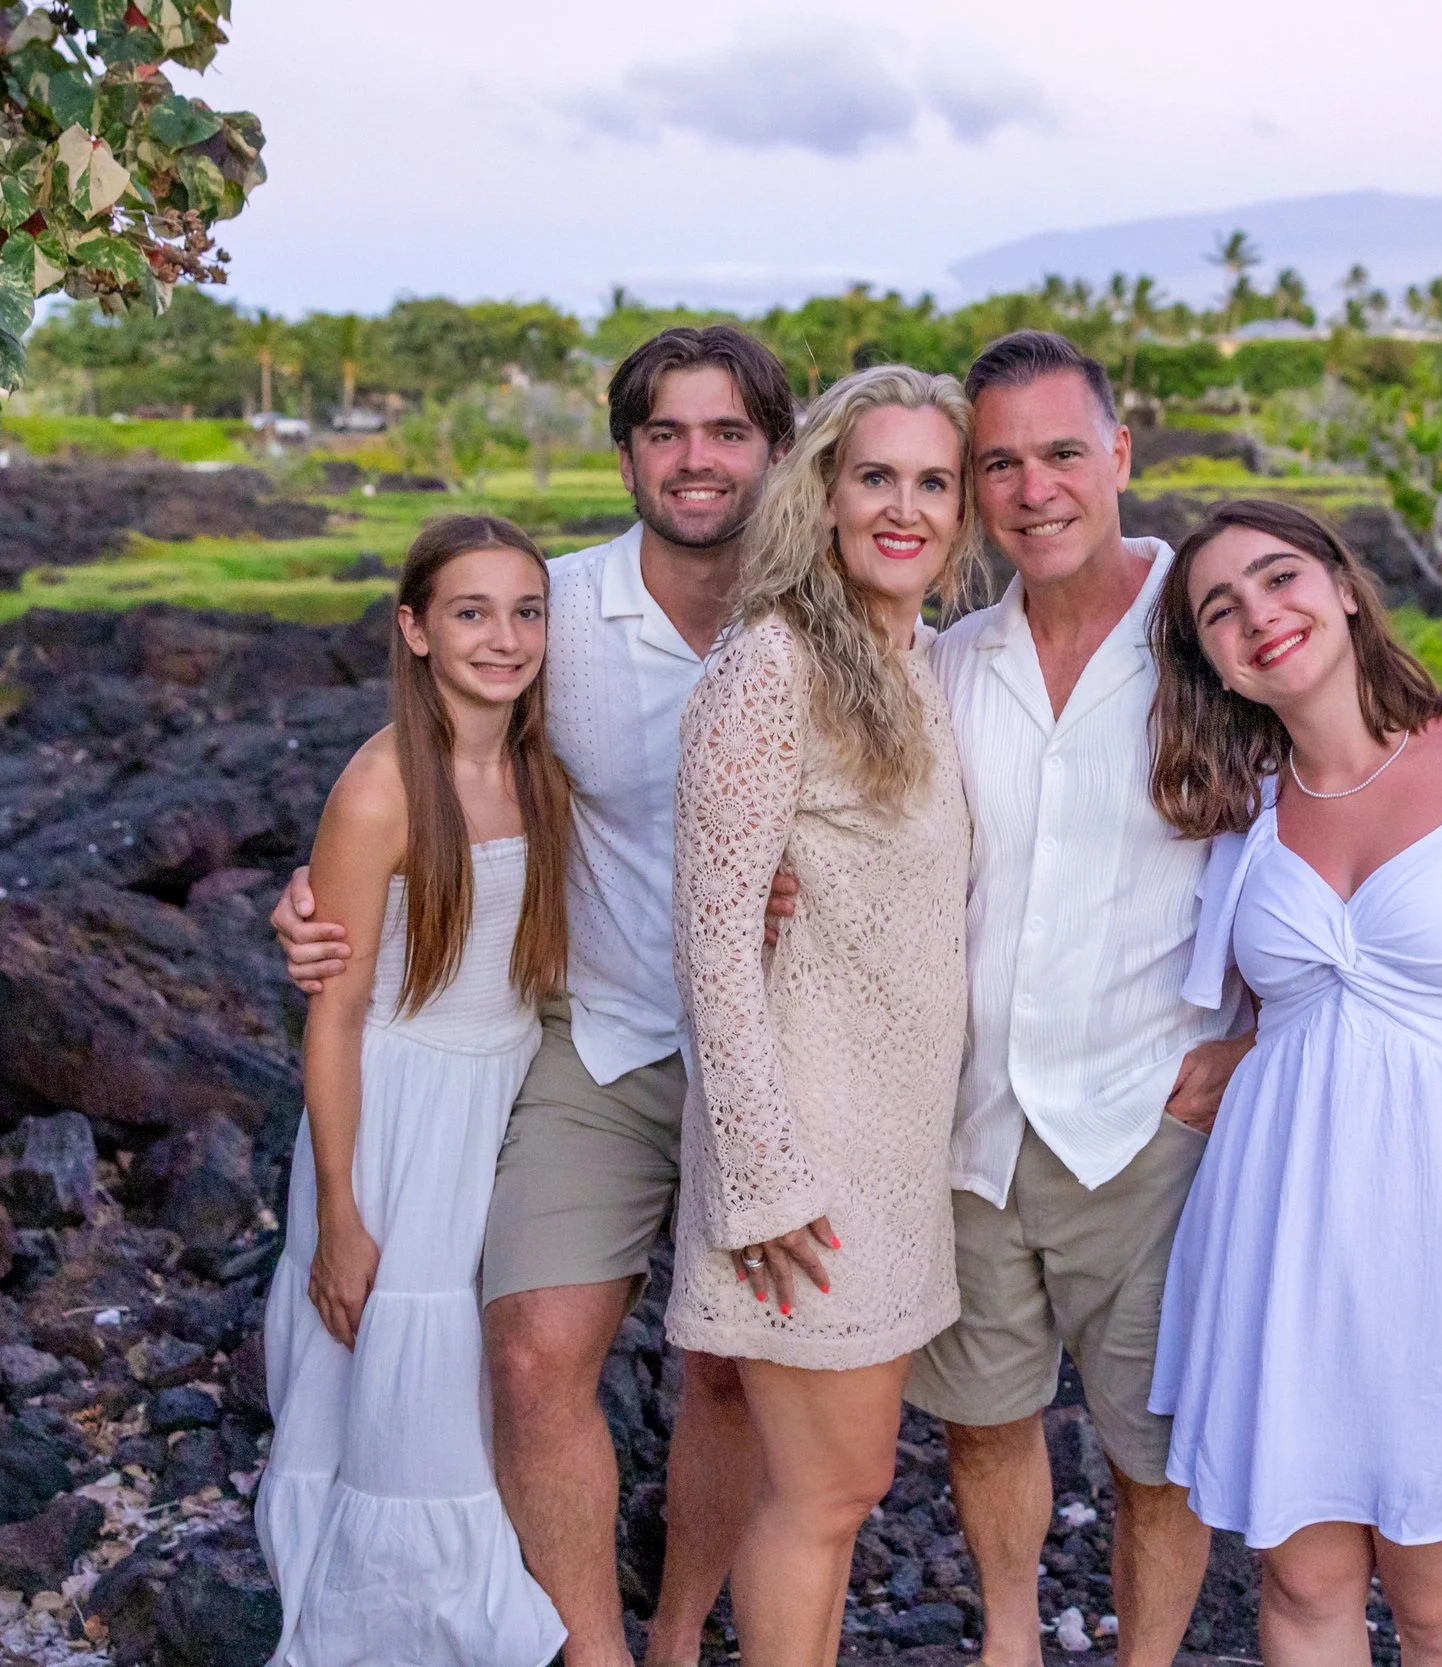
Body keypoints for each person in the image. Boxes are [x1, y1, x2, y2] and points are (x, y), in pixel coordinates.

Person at [271, 326, 798, 1667]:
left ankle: (677, 1633)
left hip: (780, 1054)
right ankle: (591, 1651)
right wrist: (321, 905)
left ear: (776, 452)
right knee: (526, 1356)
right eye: (666, 431)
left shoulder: (822, 615)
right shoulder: (555, 614)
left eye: (727, 431)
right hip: (599, 1042)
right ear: (625, 453)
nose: (695, 458)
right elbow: (428, 749)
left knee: (731, 1368)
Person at [1143, 498, 1442, 1666]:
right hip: (1281, 1221)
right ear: (1214, 663)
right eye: (1220, 610)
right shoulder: (1243, 812)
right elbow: (1267, 1012)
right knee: (1304, 1581)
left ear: (1344, 587)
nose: (1259, 615)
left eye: (1279, 577)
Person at [907, 331, 1248, 1667]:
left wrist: (1258, 1036)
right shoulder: (944, 662)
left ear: (1119, 452)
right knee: (983, 1417)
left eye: (1060, 452)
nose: (1033, 488)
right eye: (998, 463)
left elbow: (1324, 840)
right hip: (972, 1126)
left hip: (1149, 1121)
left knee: (1154, 1453)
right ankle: (1011, 1639)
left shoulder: (1216, 638)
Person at [665, 364, 979, 1664]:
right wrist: (763, 1175)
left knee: (840, 1493)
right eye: (876, 477)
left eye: (933, 482)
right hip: (804, 1162)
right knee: (825, 1492)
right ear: (825, 494)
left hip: (895, 1153)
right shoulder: (771, 665)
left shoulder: (924, 664)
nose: (905, 507)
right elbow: (712, 941)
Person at [258, 515, 574, 1667]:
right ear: (416, 628)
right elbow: (335, 1012)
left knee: (480, 1376)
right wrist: (341, 1211)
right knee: (407, 1384)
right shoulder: (381, 787)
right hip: (400, 1113)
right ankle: (392, 1626)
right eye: (470, 611)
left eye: (525, 611)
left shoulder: (543, 766)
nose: (504, 637)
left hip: (508, 1091)